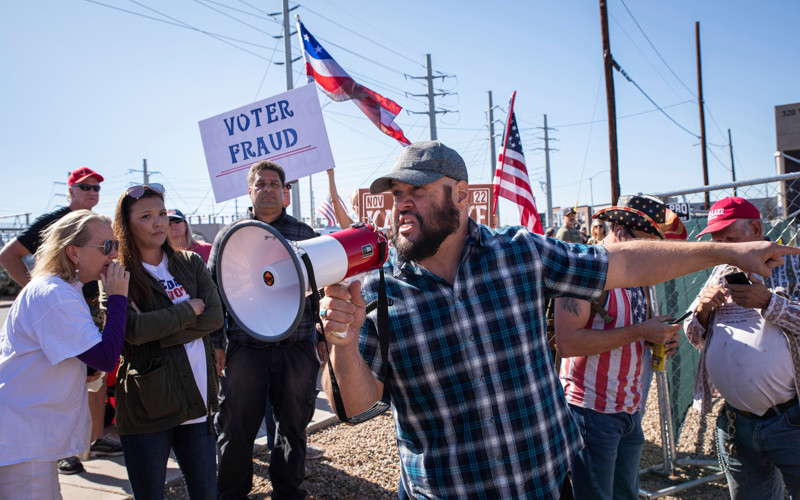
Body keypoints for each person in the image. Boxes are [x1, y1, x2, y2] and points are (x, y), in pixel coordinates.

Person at [316, 140, 799, 499]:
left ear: (461, 195)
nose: (401, 202)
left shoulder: (519, 253)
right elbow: (356, 405)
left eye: (417, 190)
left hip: (546, 484)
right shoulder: (376, 287)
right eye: (396, 192)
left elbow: (622, 264)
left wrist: (732, 251)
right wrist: (342, 339)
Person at [555, 195, 686, 499]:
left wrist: (657, 337)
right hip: (590, 412)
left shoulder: (637, 275)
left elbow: (627, 331)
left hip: (628, 409)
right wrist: (641, 330)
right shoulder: (583, 269)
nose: (654, 259)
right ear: (624, 233)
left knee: (625, 493)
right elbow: (568, 342)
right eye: (648, 247)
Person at [210, 160, 321, 499]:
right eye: (261, 184)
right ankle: (232, 493)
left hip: (297, 345)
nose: (269, 189)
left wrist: (322, 339)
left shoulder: (306, 234)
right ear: (249, 191)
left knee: (294, 426)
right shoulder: (228, 237)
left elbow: (321, 291)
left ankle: (288, 492)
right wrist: (216, 343)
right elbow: (214, 294)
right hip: (246, 348)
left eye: (275, 184)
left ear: (285, 193)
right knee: (236, 426)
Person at [0, 166, 120, 474]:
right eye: (107, 247)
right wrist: (118, 297)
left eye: (115, 245)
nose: (114, 255)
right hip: (24, 442)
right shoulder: (54, 294)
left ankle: (93, 439)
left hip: (30, 437)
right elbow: (106, 359)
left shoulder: (63, 291)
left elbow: (94, 365)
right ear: (73, 253)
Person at [683, 196, 800, 499]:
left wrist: (770, 303)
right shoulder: (721, 270)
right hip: (738, 422)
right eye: (718, 242)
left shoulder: (794, 264)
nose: (724, 249)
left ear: (756, 229)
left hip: (791, 420)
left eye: (731, 240)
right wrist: (703, 311)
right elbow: (693, 336)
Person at [112, 184, 223, 499]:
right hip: (149, 408)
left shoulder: (189, 262)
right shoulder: (117, 273)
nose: (159, 222)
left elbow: (214, 317)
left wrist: (155, 329)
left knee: (206, 492)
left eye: (161, 213)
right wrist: (189, 309)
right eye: (146, 216)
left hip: (198, 399)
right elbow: (130, 334)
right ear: (126, 224)